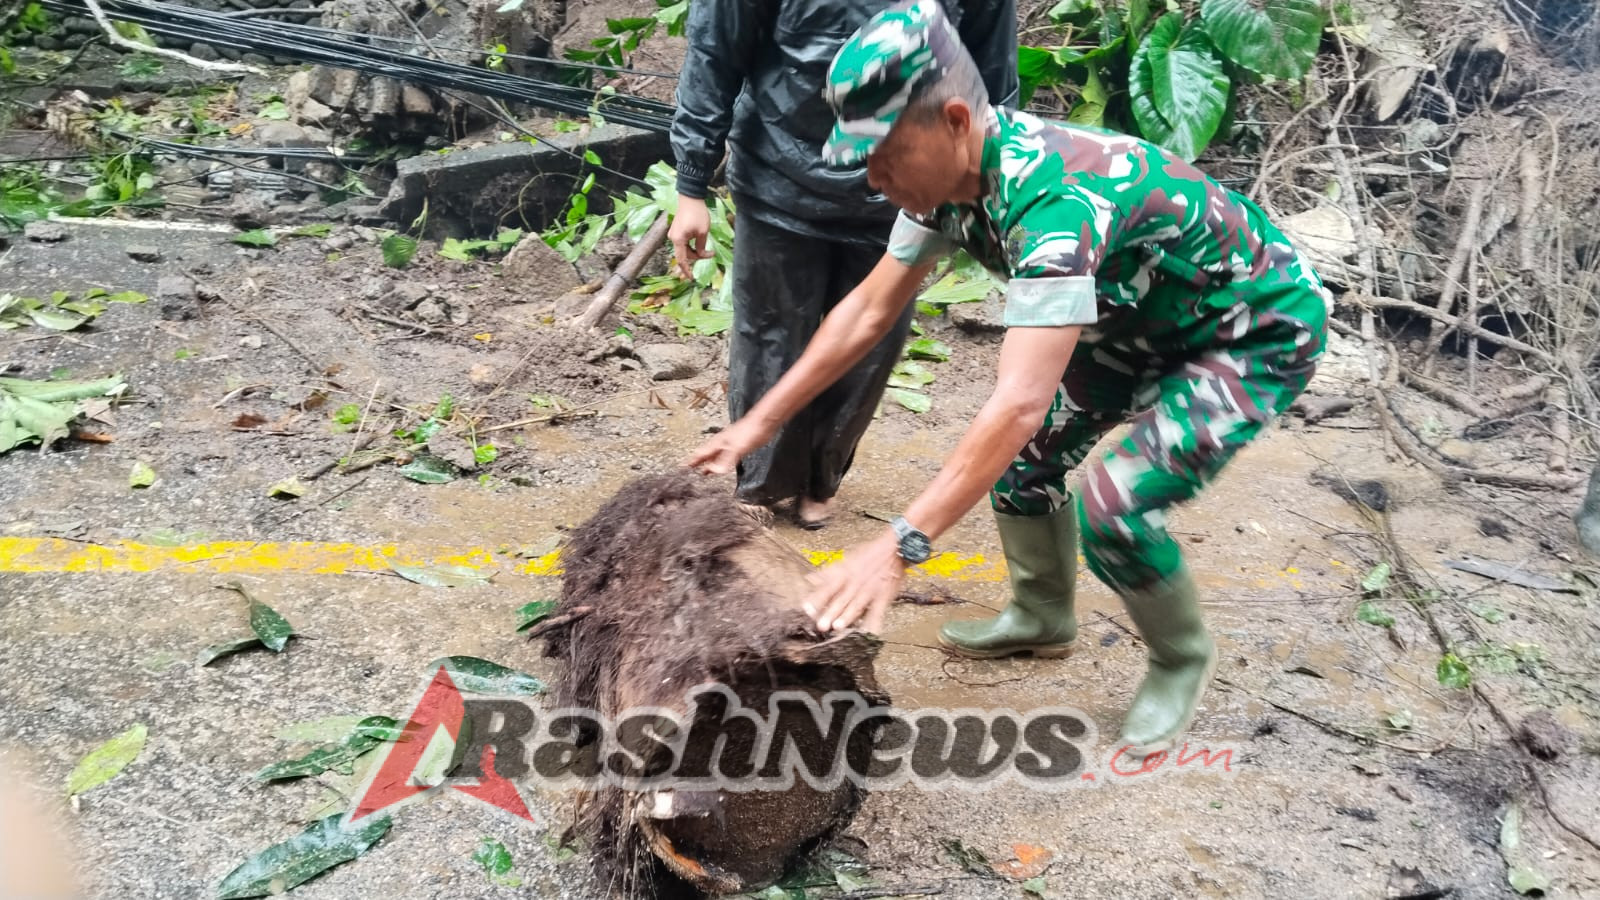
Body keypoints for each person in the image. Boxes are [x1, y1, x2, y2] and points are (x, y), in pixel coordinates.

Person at [688, 0, 1330, 756]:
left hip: (1246, 331)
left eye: (886, 152)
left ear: (955, 120)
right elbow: (865, 313)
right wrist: (758, 421)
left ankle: (1180, 657)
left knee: (1116, 503)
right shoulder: (946, 188)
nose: (873, 175)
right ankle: (1044, 614)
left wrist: (896, 546)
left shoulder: (1054, 208)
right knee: (1025, 470)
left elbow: (1019, 400)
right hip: (1133, 319)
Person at [668, 0, 1019, 529]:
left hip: (909, 183)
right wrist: (691, 181)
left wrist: (903, 545)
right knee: (770, 333)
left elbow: (994, 69)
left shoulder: (1045, 212)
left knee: (875, 351)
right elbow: (715, 51)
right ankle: (761, 484)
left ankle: (822, 479)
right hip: (778, 172)